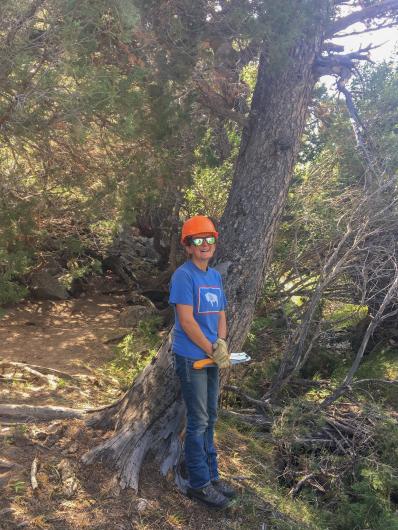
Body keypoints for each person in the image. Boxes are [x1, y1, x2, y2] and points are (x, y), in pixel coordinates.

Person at [169, 215, 236, 508]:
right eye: (198, 240)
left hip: (211, 357)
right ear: (188, 246)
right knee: (198, 422)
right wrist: (211, 348)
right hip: (192, 358)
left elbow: (220, 314)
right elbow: (185, 321)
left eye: (209, 239)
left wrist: (221, 342)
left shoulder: (214, 276)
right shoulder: (183, 276)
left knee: (211, 417)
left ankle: (212, 476)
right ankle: (199, 484)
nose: (205, 244)